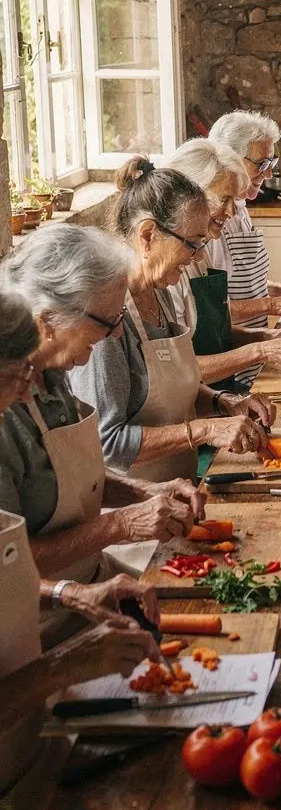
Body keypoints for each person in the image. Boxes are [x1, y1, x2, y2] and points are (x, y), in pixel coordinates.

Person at [0, 289, 247, 810]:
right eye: (15, 382)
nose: (26, 399)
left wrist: (67, 593)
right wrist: (60, 665)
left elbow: (9, 557)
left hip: (28, 760)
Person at [0, 230, 202, 587]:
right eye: (107, 321)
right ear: (48, 322)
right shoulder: (7, 410)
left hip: (93, 578)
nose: (114, 335)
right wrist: (121, 523)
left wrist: (141, 491)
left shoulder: (54, 374)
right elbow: (11, 563)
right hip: (38, 616)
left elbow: (75, 479)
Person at [68, 160, 271, 485]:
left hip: (179, 491)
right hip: (133, 512)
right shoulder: (106, 320)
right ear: (148, 235)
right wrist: (205, 429)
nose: (200, 255)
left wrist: (223, 402)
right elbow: (106, 444)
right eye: (192, 243)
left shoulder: (164, 293)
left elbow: (176, 387)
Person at [165, 138, 281, 390]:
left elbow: (208, 330)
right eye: (223, 200)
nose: (232, 212)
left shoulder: (198, 250)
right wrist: (260, 349)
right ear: (190, 195)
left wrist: (267, 336)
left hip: (212, 394)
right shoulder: (167, 267)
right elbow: (178, 368)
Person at [208, 107, 281, 327]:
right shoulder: (211, 220)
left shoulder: (239, 207)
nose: (269, 174)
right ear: (228, 158)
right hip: (232, 352)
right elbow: (210, 311)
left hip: (254, 347)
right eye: (261, 164)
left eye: (270, 164)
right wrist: (274, 305)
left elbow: (243, 284)